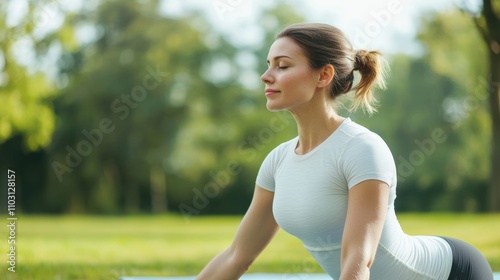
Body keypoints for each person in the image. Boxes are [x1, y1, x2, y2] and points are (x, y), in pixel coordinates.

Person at [196, 23, 493, 280]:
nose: (266, 76)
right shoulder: (277, 162)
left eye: (282, 65)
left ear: (324, 75)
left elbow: (358, 259)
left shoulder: (361, 149)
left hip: (453, 273)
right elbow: (237, 255)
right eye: (268, 64)